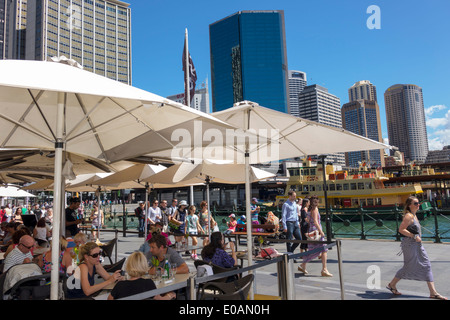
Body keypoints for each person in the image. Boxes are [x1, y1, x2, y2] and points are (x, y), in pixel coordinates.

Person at [386, 196, 447, 300]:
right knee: (409, 266)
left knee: (426, 265)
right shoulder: (409, 216)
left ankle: (433, 292)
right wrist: (414, 236)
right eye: (415, 203)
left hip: (417, 245)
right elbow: (401, 229)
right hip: (410, 245)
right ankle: (392, 285)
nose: (418, 205)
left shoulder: (414, 215)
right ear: (409, 205)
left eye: (418, 203)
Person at [107, 251, 176, 300]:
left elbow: (109, 299)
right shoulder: (148, 283)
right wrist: (170, 295)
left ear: (128, 266)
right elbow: (160, 299)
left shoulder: (120, 285)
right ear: (144, 266)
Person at [298, 195, 332, 277]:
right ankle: (324, 269)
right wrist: (321, 232)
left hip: (311, 230)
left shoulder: (309, 210)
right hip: (317, 231)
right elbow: (316, 222)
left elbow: (309, 220)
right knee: (324, 249)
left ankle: (303, 265)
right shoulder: (315, 209)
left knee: (312, 250)